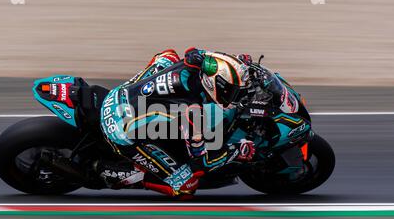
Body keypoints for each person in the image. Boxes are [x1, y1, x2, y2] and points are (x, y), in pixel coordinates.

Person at [97, 48, 301, 199]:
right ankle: (122, 174)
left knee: (167, 55)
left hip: (123, 94)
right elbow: (201, 161)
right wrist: (236, 152)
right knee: (186, 186)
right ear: (216, 85)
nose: (236, 97)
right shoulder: (193, 112)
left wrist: (243, 65)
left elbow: (195, 54)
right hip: (120, 127)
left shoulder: (200, 64)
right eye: (233, 92)